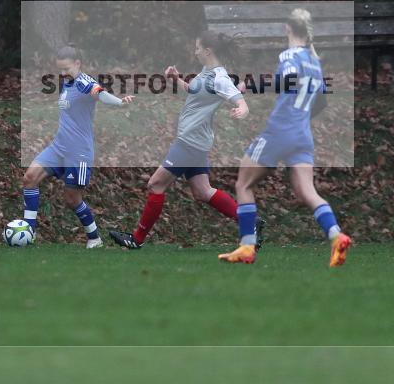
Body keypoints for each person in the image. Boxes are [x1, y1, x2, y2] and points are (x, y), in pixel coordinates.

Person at [218, 8, 352, 267]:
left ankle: (247, 246)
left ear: (287, 29)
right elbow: (321, 101)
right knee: (307, 191)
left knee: (243, 185)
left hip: (280, 131)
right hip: (303, 134)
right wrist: (299, 119)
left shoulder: (290, 55)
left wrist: (251, 86)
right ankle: (337, 236)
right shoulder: (315, 62)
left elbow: (287, 80)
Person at [108, 31, 249, 249]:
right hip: (195, 141)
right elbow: (194, 90)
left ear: (207, 51)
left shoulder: (219, 78)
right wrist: (177, 79)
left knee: (155, 184)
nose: (195, 52)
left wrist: (242, 109)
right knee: (203, 192)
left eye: (197, 48)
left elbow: (240, 101)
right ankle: (250, 224)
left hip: (189, 142)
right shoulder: (206, 72)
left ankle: (136, 239)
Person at [21, 45, 133, 248]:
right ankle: (29, 232)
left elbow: (100, 94)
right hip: (58, 147)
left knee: (72, 199)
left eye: (66, 69)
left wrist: (120, 103)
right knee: (29, 178)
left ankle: (94, 238)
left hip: (79, 152)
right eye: (60, 70)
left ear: (77, 64)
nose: (63, 74)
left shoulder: (84, 82)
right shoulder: (68, 83)